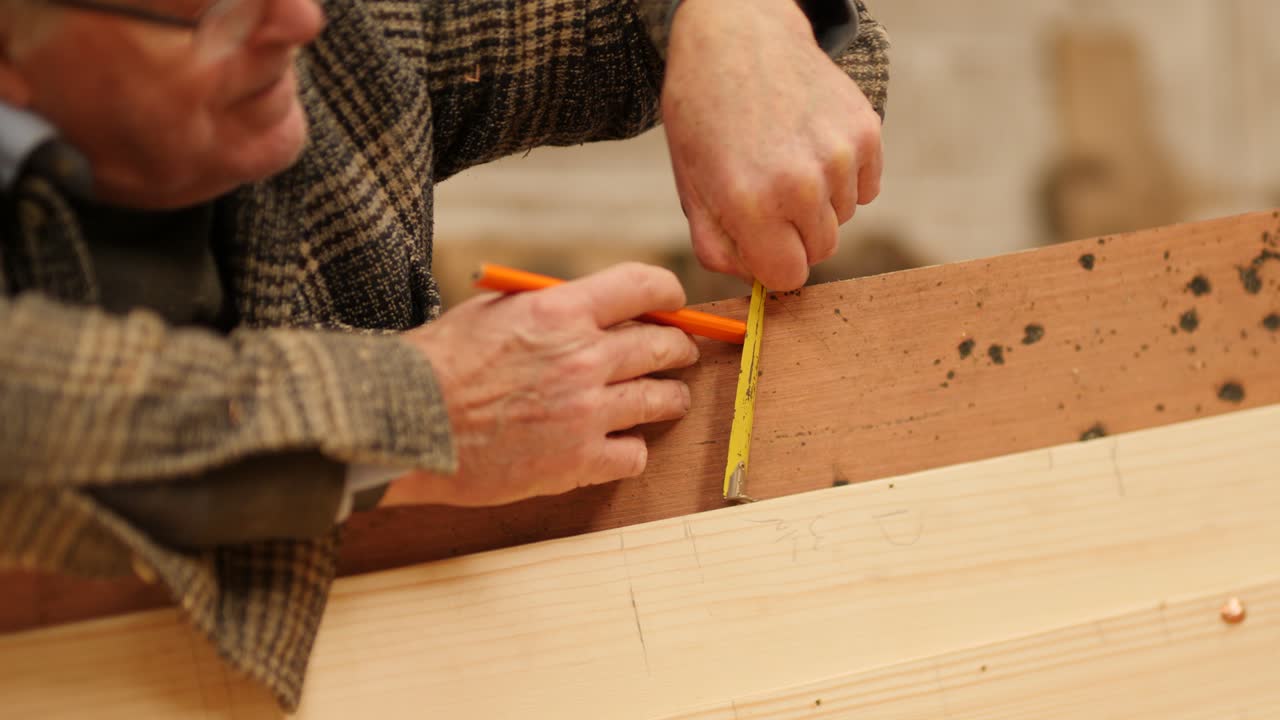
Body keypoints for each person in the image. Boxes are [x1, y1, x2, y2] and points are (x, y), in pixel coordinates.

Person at [0, 0, 888, 709]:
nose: (299, 20)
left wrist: (736, 23)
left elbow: (603, 22)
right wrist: (429, 405)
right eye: (211, 10)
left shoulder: (329, 34)